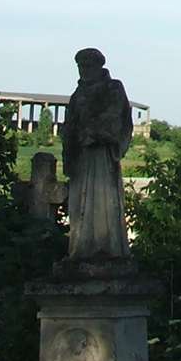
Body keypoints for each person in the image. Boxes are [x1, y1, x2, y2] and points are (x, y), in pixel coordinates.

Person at [61, 47, 133, 261]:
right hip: (82, 156)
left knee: (104, 202)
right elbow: (70, 125)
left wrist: (95, 133)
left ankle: (107, 247)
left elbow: (118, 117)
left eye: (87, 66)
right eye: (80, 66)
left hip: (102, 154)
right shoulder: (78, 94)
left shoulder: (113, 88)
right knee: (79, 204)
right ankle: (81, 248)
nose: (83, 70)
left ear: (98, 66)